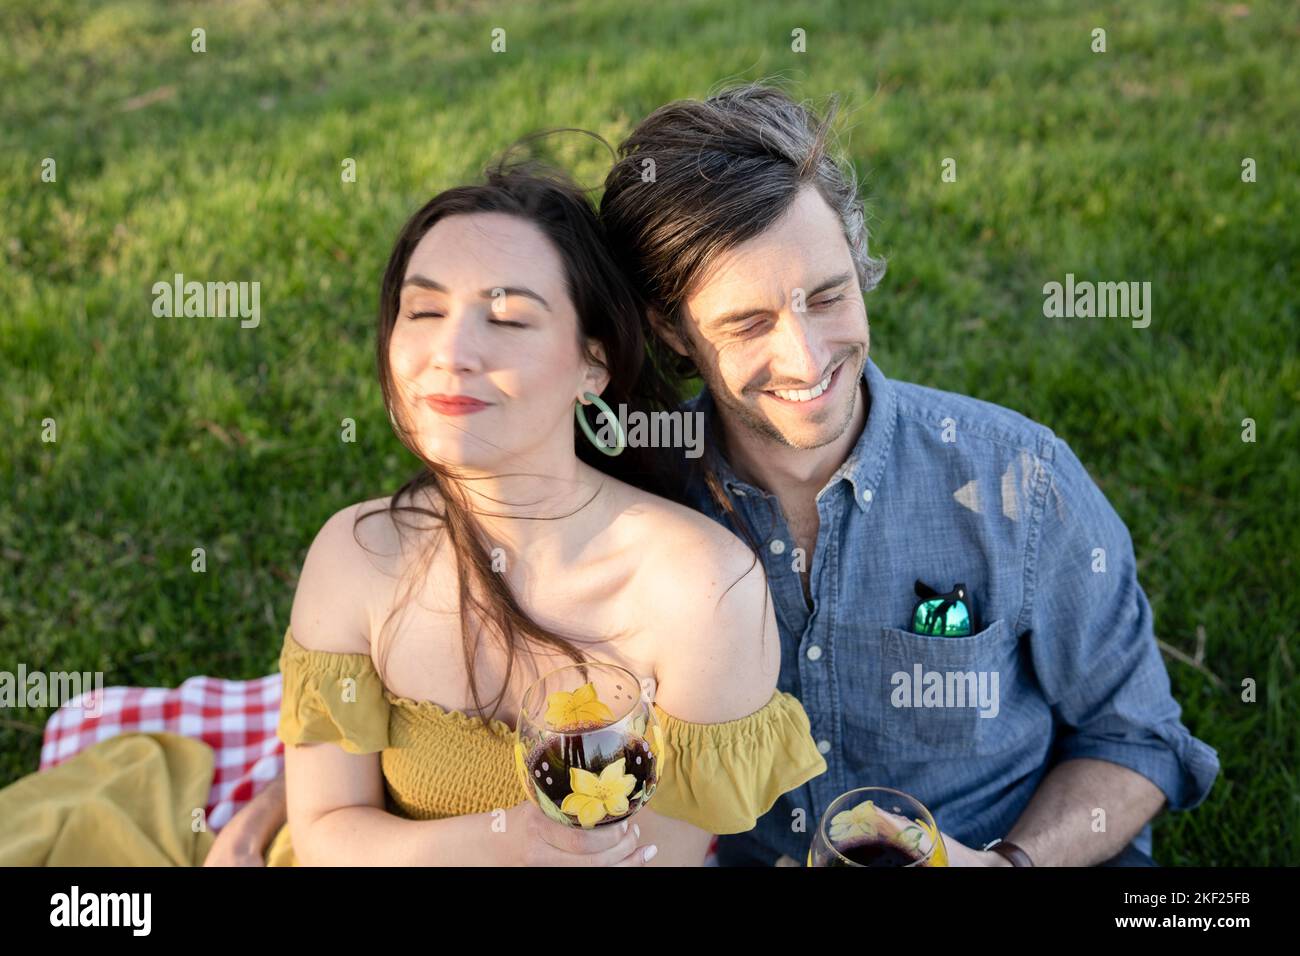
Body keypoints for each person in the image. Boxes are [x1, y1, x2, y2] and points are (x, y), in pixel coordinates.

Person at [0, 154, 828, 866]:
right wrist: (510, 839)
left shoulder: (701, 590)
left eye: (506, 318)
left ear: (593, 364)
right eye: (423, 310)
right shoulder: (359, 557)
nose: (448, 353)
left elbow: (660, 858)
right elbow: (328, 833)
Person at [596, 82, 1221, 866]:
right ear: (670, 329)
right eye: (749, 323)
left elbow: (1137, 739)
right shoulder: (631, 498)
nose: (808, 358)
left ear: (858, 262)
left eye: (829, 296)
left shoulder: (1019, 478)